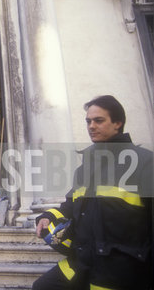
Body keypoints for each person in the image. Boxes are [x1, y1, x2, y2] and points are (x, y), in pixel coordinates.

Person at [33, 95, 153, 290]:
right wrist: (48, 216)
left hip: (119, 270)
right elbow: (71, 204)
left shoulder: (144, 163)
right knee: (43, 287)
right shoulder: (86, 167)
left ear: (117, 123)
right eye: (88, 121)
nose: (91, 126)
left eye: (99, 120)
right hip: (81, 262)